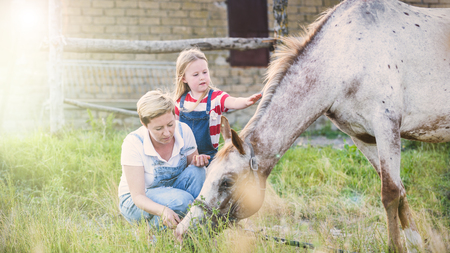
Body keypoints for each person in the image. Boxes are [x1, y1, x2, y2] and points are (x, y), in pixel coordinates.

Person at [118, 90, 209, 230]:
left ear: (174, 115)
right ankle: (151, 230)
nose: (167, 133)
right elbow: (138, 197)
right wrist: (163, 210)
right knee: (184, 201)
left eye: (170, 124)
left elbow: (194, 169)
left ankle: (196, 226)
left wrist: (199, 161)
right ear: (144, 123)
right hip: (135, 201)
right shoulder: (134, 143)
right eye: (159, 128)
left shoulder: (184, 131)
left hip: (172, 191)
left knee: (199, 171)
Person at [173, 48, 262, 162]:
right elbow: (175, 129)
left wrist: (246, 101)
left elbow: (233, 102)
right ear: (184, 78)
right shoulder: (180, 102)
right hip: (186, 157)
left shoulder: (216, 97)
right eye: (196, 74)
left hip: (210, 157)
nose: (202, 77)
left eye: (205, 72)